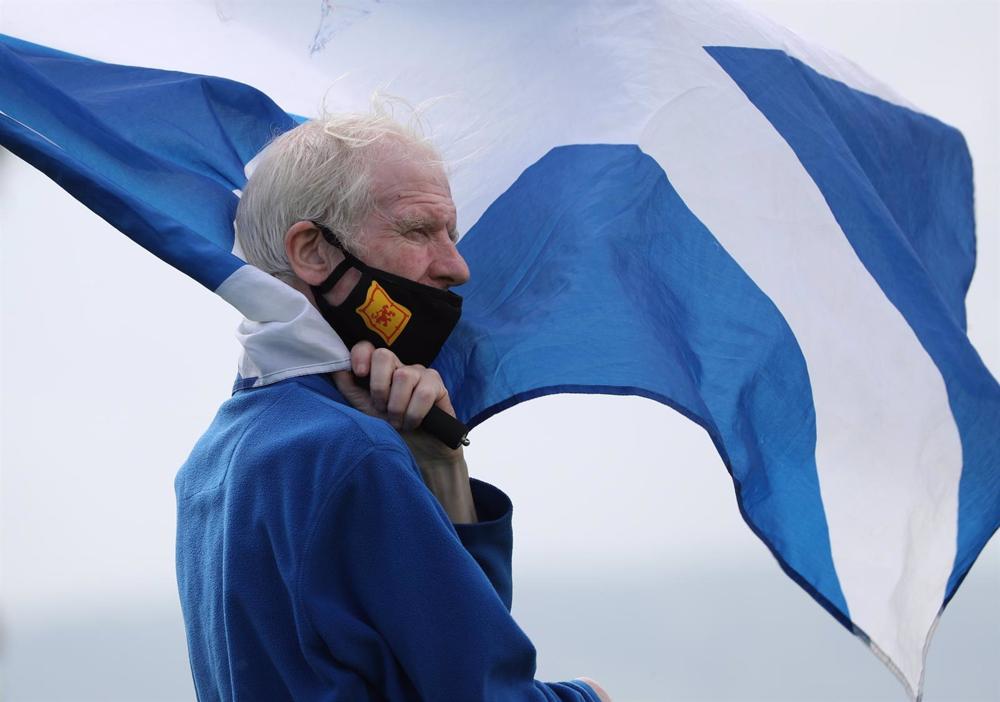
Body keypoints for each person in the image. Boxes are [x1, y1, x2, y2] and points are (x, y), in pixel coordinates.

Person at [175, 112, 612, 702]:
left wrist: (441, 468)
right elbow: (481, 693)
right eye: (417, 231)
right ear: (312, 251)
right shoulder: (350, 453)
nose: (456, 267)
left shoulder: (218, 455)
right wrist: (589, 696)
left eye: (451, 235)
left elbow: (452, 661)